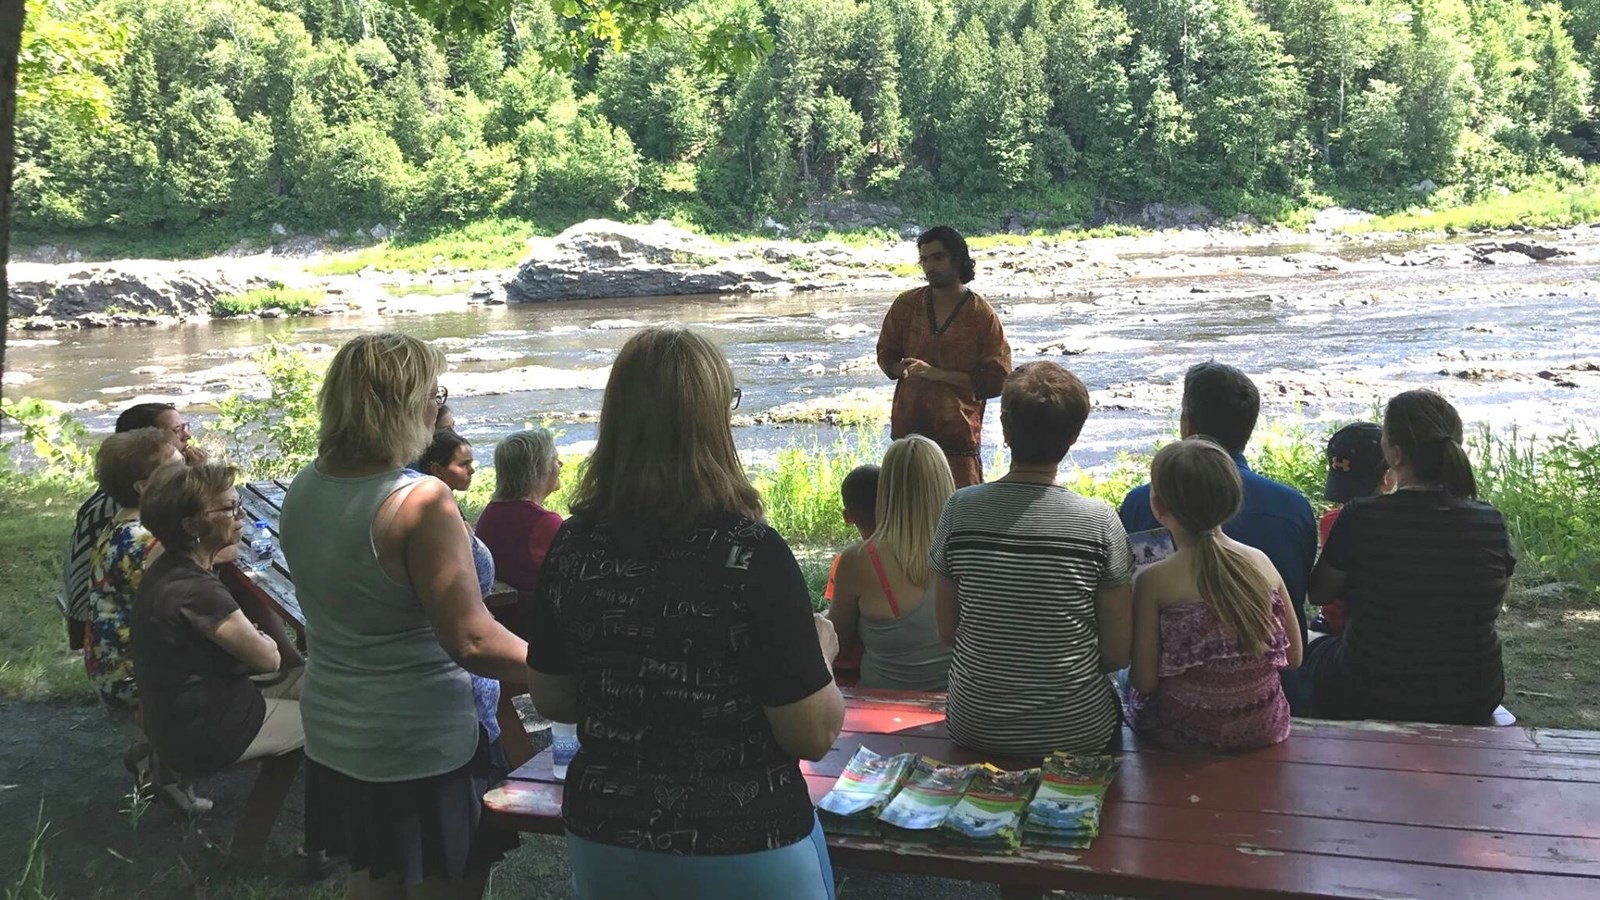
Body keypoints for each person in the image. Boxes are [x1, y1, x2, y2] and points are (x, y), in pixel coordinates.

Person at [525, 324, 844, 900]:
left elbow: (552, 698)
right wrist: (819, 648)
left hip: (606, 836)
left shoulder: (572, 544)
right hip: (745, 839)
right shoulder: (751, 553)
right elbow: (812, 734)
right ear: (713, 420)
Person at [279, 333, 527, 899]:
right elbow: (472, 640)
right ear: (404, 405)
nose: (439, 408)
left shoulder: (306, 484)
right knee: (447, 884)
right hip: (423, 742)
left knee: (375, 877)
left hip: (338, 730)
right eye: (435, 394)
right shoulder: (421, 501)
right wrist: (565, 670)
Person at [932, 362, 1133, 757]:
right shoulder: (1099, 521)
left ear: (1004, 429)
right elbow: (1117, 653)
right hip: (1076, 733)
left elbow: (947, 630)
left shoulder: (960, 510)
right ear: (1074, 436)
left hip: (974, 723)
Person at [1303, 391, 1514, 725]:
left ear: (1396, 454)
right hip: (1474, 693)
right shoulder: (1490, 521)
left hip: (1369, 690)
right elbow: (1492, 603)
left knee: (1307, 644)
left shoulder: (1362, 515)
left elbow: (1319, 593)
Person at [1118, 363, 1318, 648]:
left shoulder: (1146, 502)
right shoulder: (1293, 506)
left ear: (1188, 427)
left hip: (1172, 667)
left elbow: (1130, 595)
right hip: (1276, 667)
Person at [1125, 438, 1303, 751]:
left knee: (1123, 679)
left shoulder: (1152, 580)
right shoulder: (1261, 561)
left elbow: (1145, 681)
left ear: (1158, 507)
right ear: (1232, 500)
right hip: (1263, 726)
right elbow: (1295, 657)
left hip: (1183, 734)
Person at [132, 462, 306, 781]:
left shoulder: (168, 566)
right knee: (337, 717)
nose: (242, 515)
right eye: (230, 508)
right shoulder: (200, 593)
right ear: (192, 526)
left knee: (318, 680)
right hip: (211, 733)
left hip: (181, 717)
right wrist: (262, 639)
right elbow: (269, 660)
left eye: (239, 503)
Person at [59, 403, 205, 650]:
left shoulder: (122, 494)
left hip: (107, 613)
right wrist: (197, 482)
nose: (187, 435)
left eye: (185, 427)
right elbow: (196, 551)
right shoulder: (122, 512)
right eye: (176, 430)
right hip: (97, 621)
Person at [877, 226, 1012, 488]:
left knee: (960, 507)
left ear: (958, 259)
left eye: (938, 257)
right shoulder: (906, 304)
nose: (930, 266)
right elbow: (886, 351)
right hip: (909, 437)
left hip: (958, 437)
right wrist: (897, 368)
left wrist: (936, 374)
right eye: (924, 260)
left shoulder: (981, 314)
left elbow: (998, 379)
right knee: (908, 507)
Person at [417, 428, 512, 774]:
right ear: (436, 469)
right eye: (463, 464)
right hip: (458, 667)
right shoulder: (429, 513)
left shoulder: (446, 508)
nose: (472, 470)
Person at [827, 436, 955, 691]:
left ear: (886, 489)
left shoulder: (859, 560)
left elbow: (836, 642)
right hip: (958, 701)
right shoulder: (967, 551)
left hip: (878, 702)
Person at [474, 427, 564, 640]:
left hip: (502, 624)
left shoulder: (490, 513)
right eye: (555, 459)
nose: (560, 464)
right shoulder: (544, 522)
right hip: (536, 630)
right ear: (538, 469)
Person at [1311, 423, 1390, 634]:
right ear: (1388, 477)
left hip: (1335, 627)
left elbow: (1319, 594)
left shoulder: (1330, 521)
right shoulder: (1398, 524)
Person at [821, 464, 879, 679]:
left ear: (847, 517)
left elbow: (839, 637)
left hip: (863, 675)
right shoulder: (919, 552)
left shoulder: (848, 561)